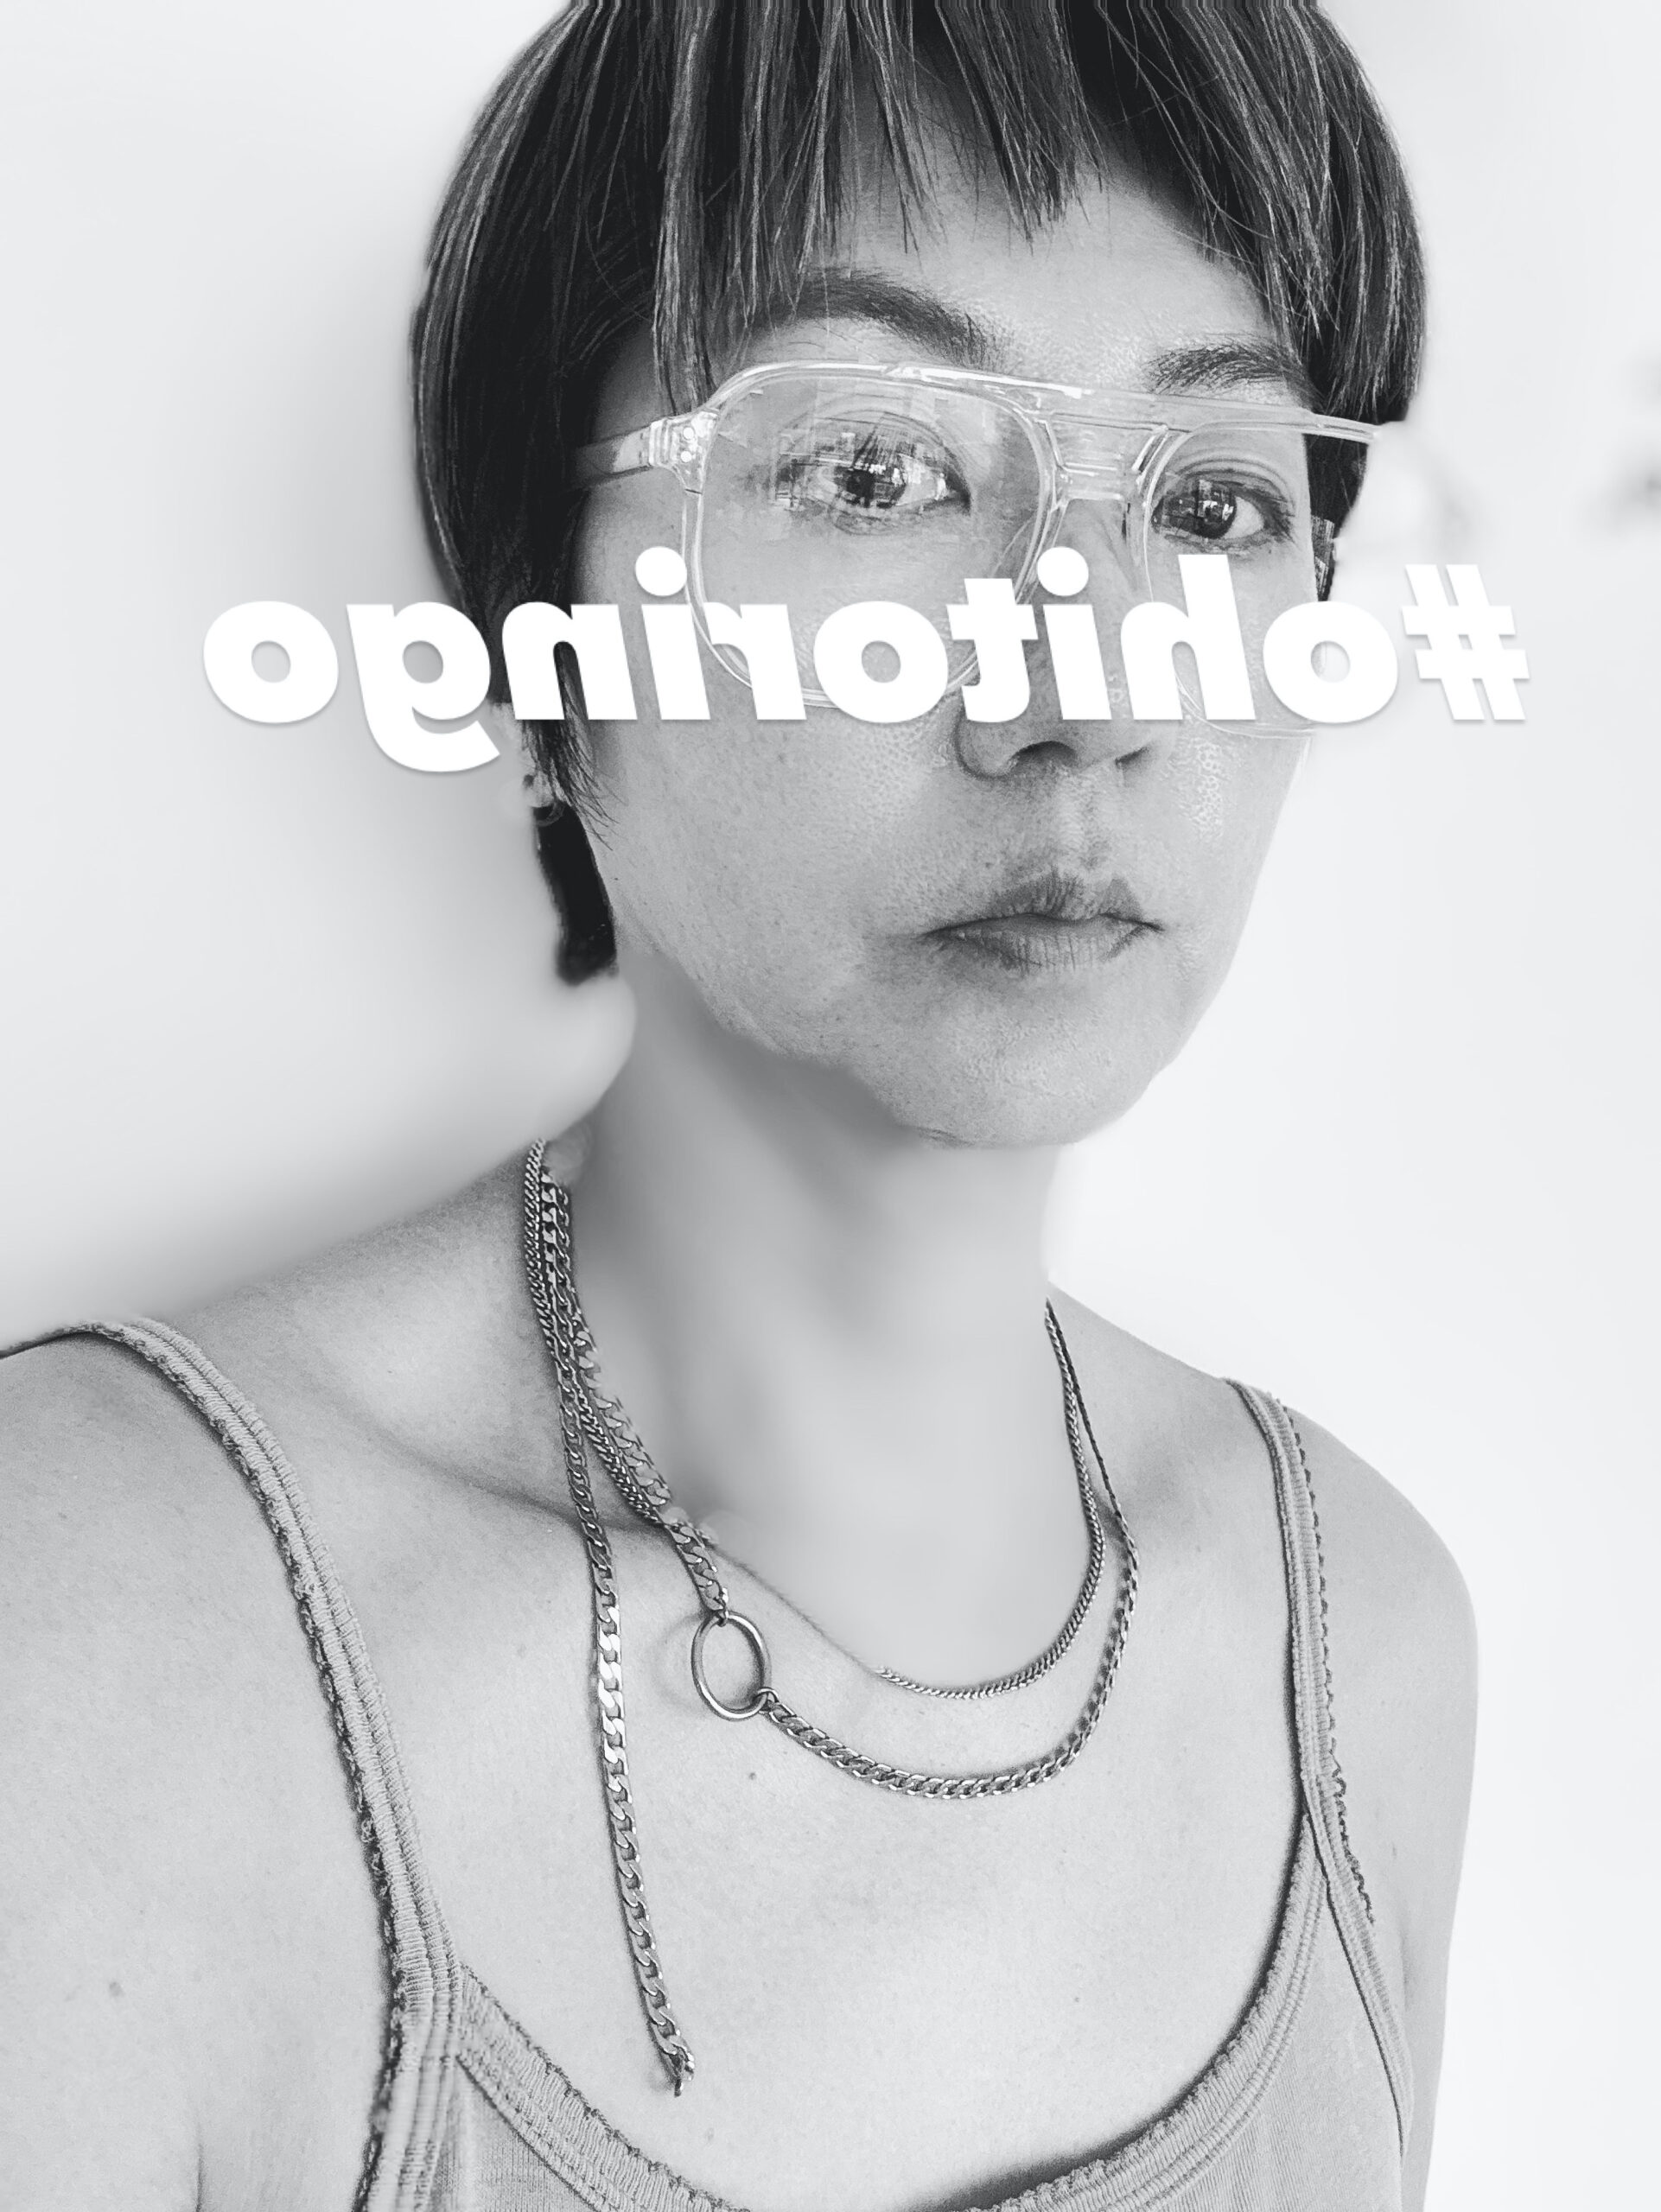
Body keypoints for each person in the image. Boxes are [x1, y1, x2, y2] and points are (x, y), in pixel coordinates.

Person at [0, 4, 1476, 2209]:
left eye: (1212, 501)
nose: (1082, 689)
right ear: (538, 636)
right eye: (871, 469)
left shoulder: (1358, 1643)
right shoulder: (96, 1637)